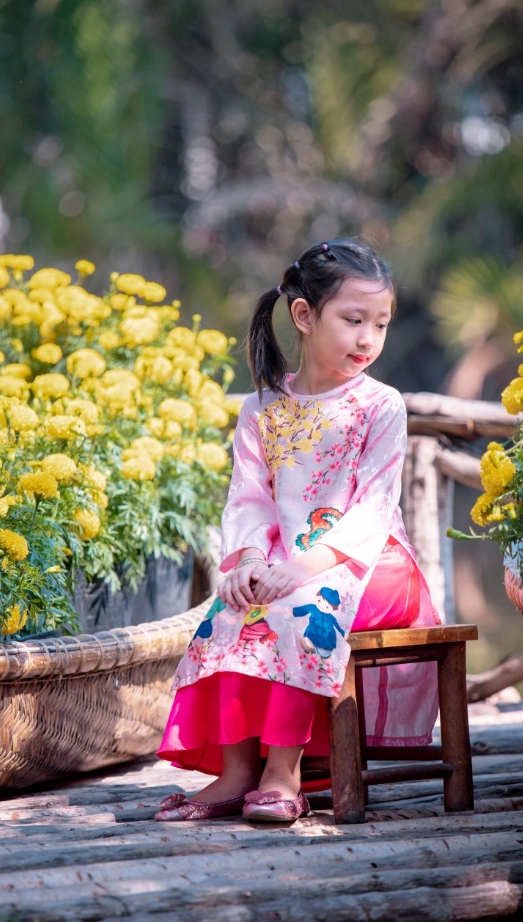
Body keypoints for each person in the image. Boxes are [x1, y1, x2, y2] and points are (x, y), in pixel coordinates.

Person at [154, 238, 442, 824]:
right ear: (304, 316)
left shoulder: (380, 405)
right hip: (284, 558)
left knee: (299, 605)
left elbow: (374, 508)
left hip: (371, 563)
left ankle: (283, 772)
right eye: (353, 320)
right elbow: (250, 499)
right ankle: (235, 772)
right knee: (230, 608)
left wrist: (302, 569)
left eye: (380, 324)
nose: (368, 339)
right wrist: (246, 563)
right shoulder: (262, 408)